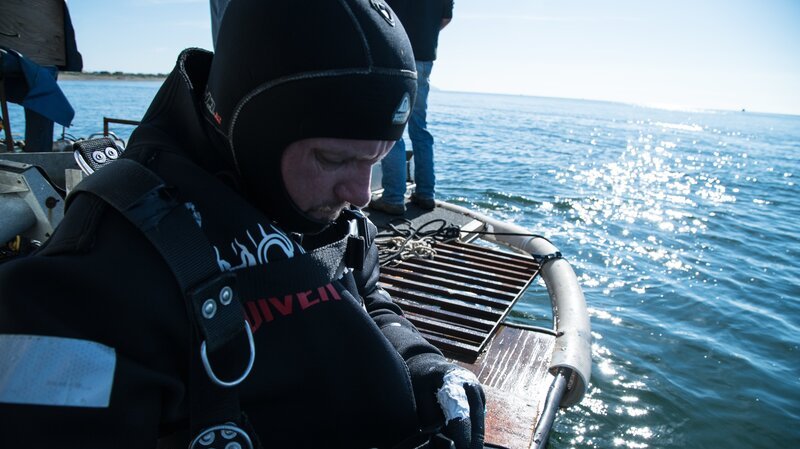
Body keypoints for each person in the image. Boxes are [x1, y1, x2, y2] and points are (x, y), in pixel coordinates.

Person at [0, 1, 484, 448]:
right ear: (254, 131)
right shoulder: (94, 276)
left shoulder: (317, 207)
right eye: (335, 158)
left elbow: (366, 294)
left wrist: (420, 361)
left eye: (375, 161)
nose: (360, 194)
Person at [370, 0, 453, 216]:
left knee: (393, 126)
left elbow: (378, 11)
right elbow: (445, 18)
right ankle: (426, 194)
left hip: (397, 53)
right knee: (420, 127)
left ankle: (393, 198)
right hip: (425, 56)